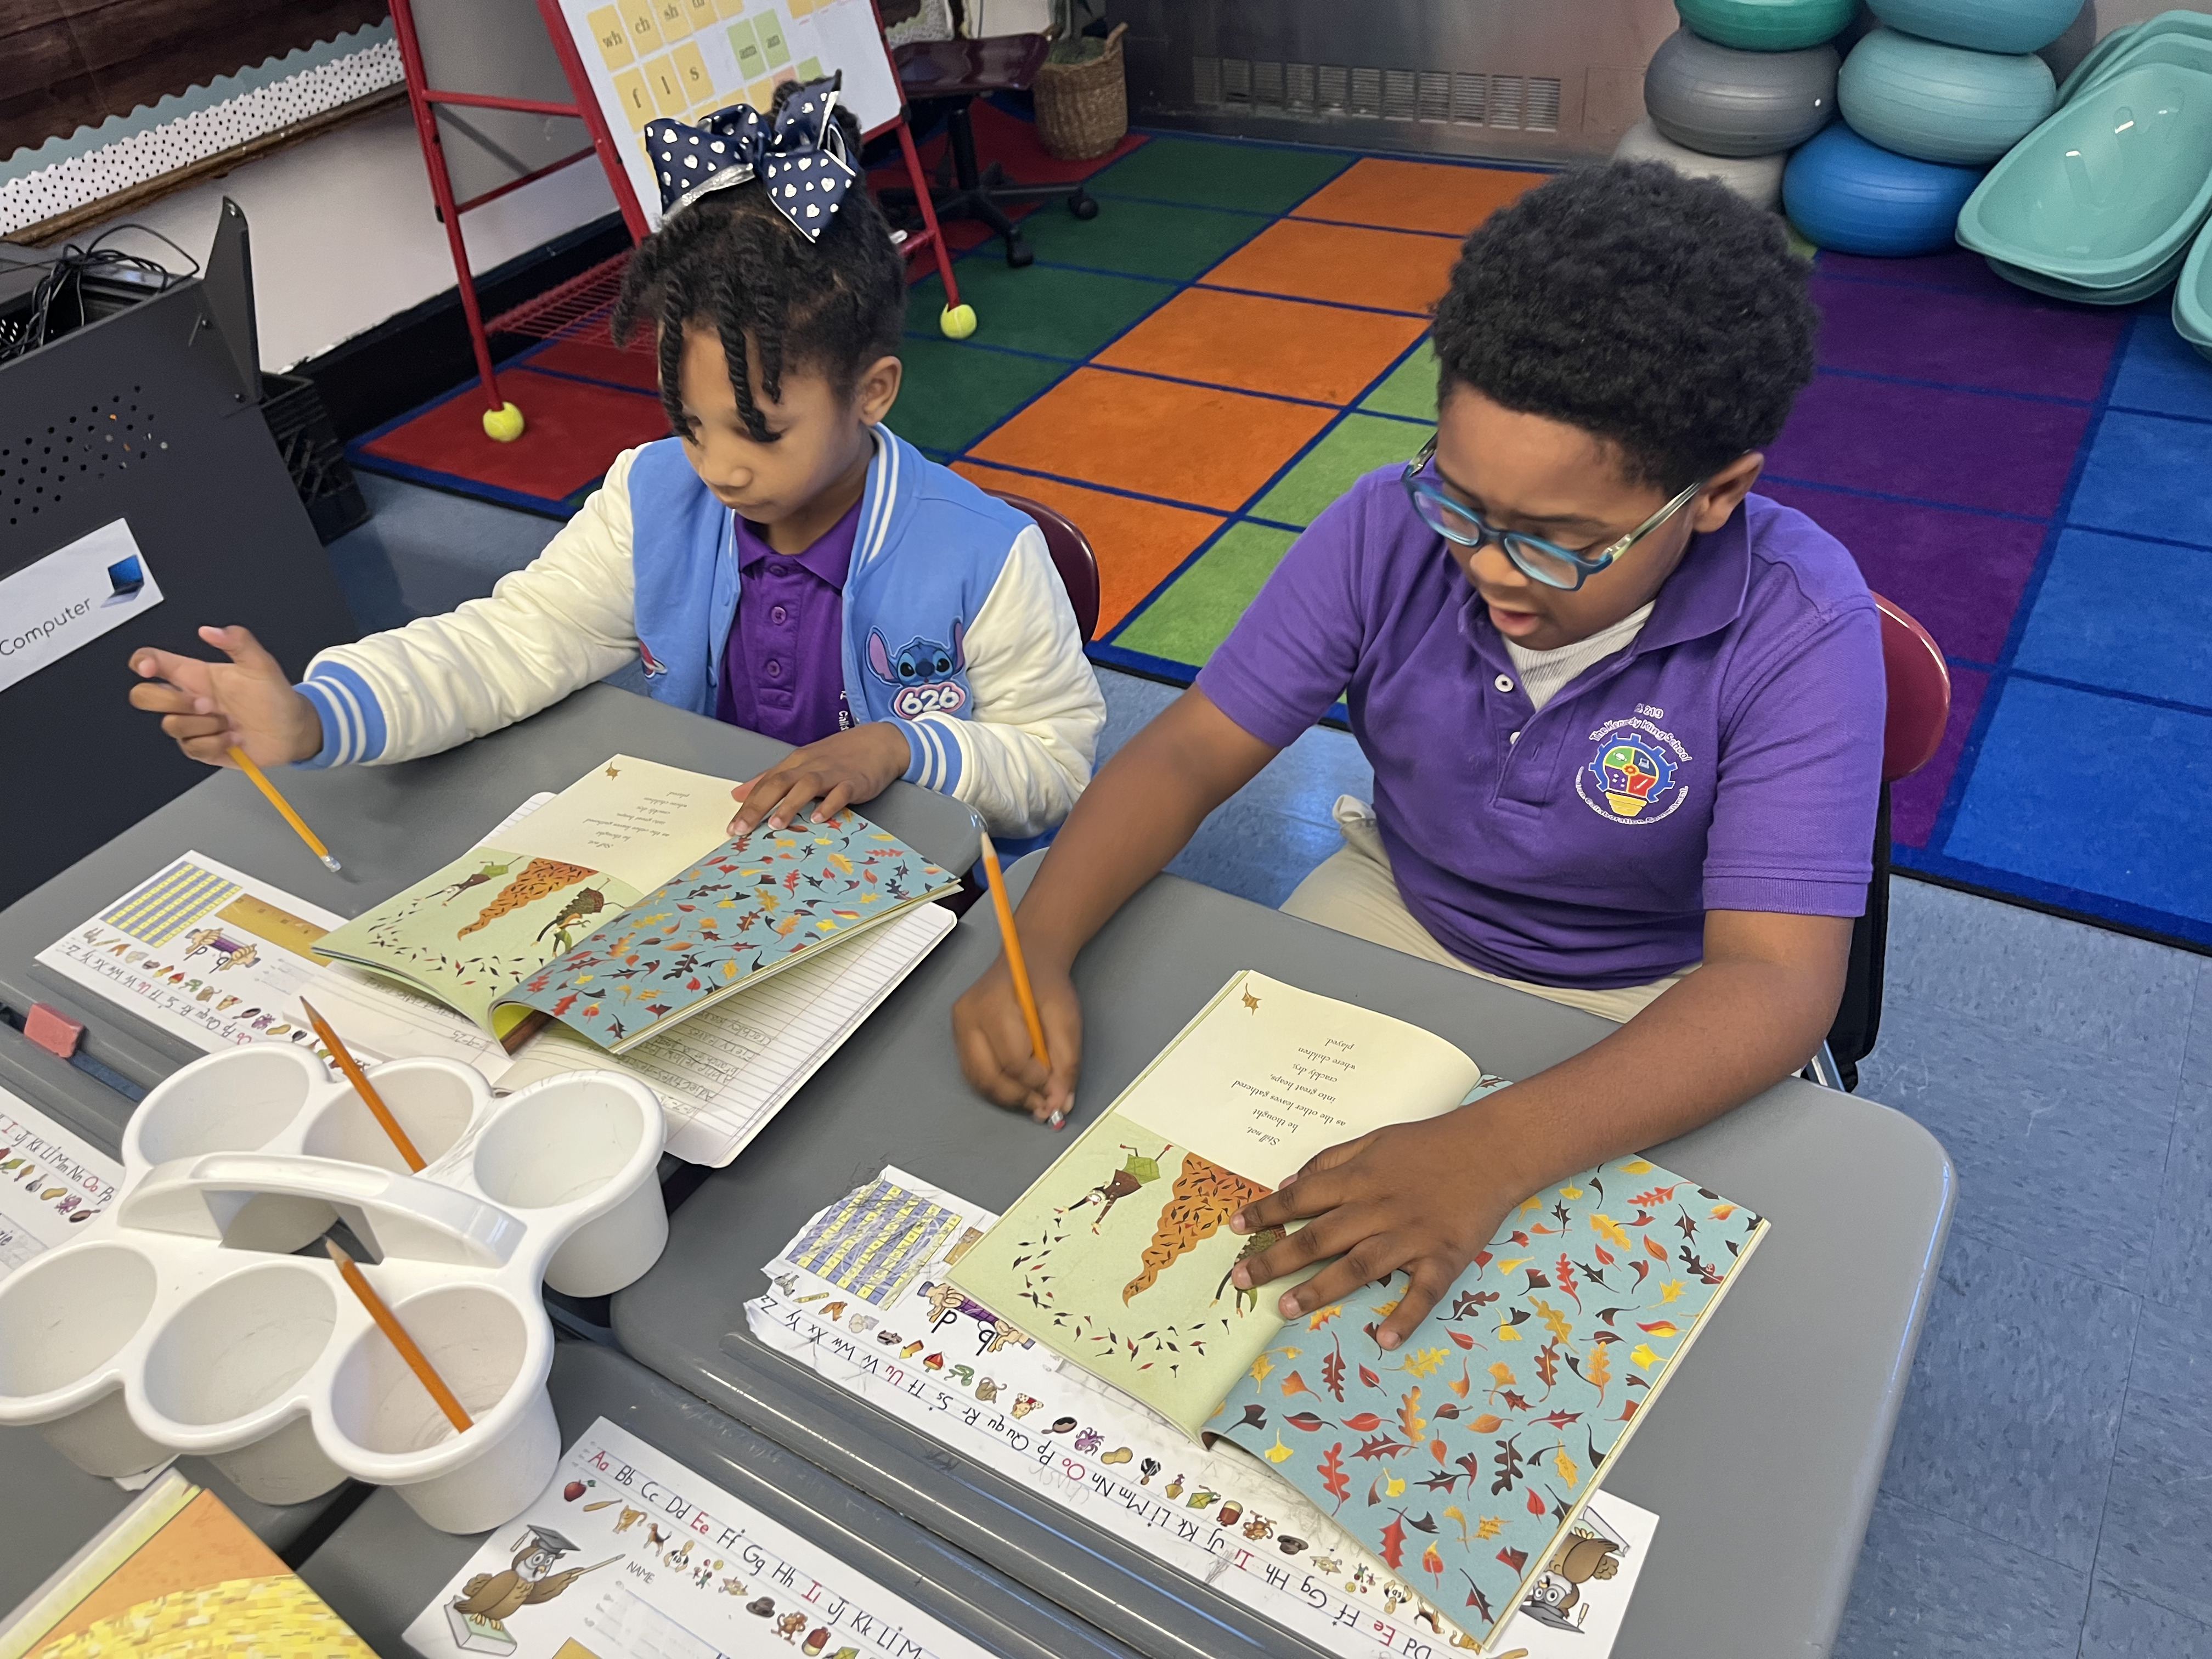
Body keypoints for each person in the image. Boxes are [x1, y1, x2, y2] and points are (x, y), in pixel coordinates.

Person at [952, 162, 1883, 1348]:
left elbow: (1773, 984)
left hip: (1654, 987)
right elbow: (1189, 753)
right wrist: (1035, 942)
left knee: (1567, 1334)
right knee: (1217, 1263)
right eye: (1463, 501)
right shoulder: (1382, 529)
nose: (1492, 569)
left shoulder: (1801, 623)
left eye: (1561, 544)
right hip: (1403, 903)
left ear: (1716, 497)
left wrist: (1489, 1149)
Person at [127, 82, 1104, 847]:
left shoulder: (986, 556)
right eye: (689, 421)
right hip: (711, 853)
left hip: (914, 889)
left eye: (759, 430)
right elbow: (509, 645)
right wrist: (316, 715)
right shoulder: (653, 499)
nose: (718, 467)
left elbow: (1054, 767)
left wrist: (900, 745)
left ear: (873, 392)